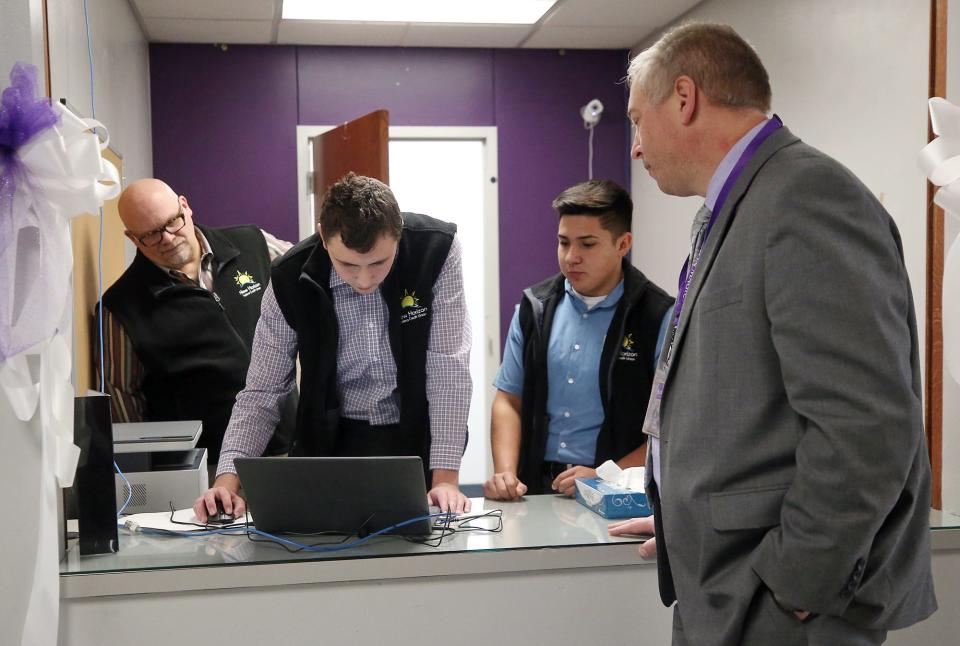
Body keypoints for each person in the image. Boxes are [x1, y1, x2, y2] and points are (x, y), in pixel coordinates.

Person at [609, 22, 937, 645]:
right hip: (728, 584)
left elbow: (866, 425)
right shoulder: (741, 207)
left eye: (635, 120)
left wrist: (797, 582)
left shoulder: (805, 196)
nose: (635, 146)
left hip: (779, 607)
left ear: (684, 98)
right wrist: (687, 519)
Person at [194, 173, 472, 520]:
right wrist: (226, 483)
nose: (365, 279)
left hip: (415, 436)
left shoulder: (437, 249)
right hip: (329, 441)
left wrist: (446, 479)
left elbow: (449, 368)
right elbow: (262, 391)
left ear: (397, 234)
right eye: (348, 265)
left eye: (378, 263)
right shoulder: (288, 278)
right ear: (325, 238)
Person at [483, 180, 673, 500]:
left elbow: (667, 429)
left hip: (617, 491)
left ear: (623, 244)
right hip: (535, 489)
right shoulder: (534, 309)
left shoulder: (657, 317)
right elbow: (508, 400)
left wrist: (604, 476)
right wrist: (506, 473)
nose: (571, 257)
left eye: (587, 244)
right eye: (563, 242)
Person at [97, 179, 296, 478]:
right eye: (151, 234)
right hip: (207, 468)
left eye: (172, 222)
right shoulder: (122, 306)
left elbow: (306, 270)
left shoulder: (252, 244)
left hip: (290, 445)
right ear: (132, 237)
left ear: (185, 207)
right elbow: (124, 407)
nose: (167, 238)